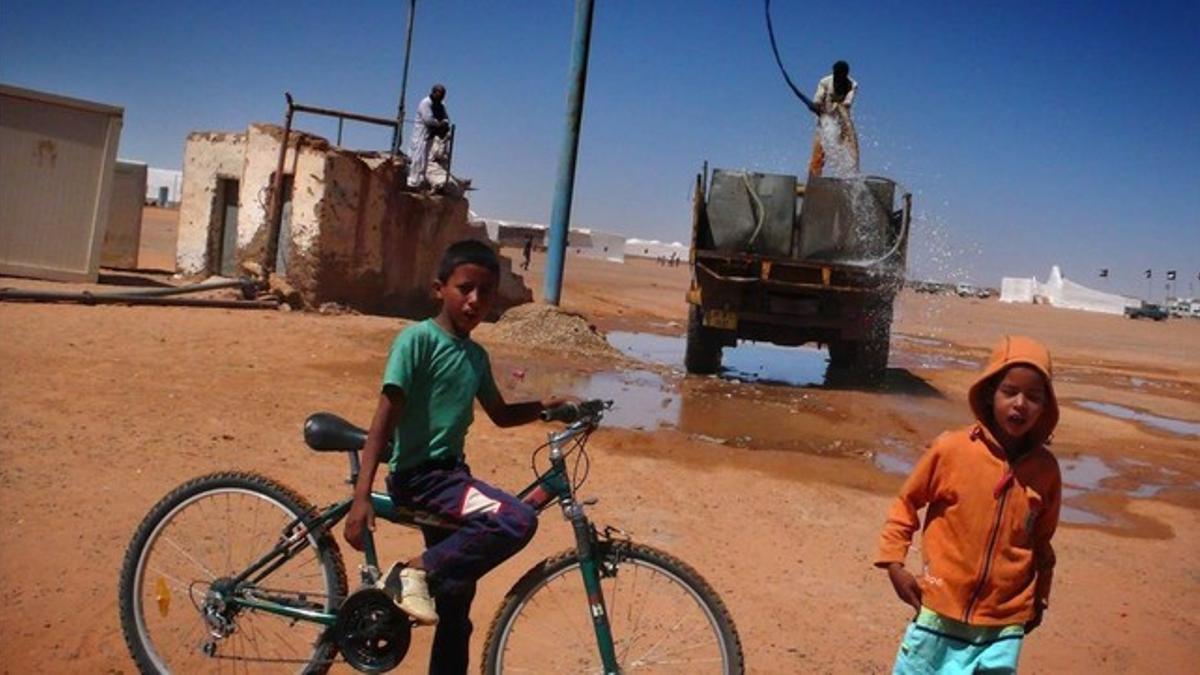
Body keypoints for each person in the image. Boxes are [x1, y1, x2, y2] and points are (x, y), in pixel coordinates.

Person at [343, 239, 564, 673]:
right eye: (465, 288)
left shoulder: (475, 356)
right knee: (516, 519)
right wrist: (361, 494)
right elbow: (383, 420)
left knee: (457, 604)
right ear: (438, 289)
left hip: (450, 478)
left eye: (485, 293)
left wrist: (546, 407)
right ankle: (411, 572)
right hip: (421, 480)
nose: (475, 301)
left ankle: (429, 583)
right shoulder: (417, 341)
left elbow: (499, 414)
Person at [876, 335, 1062, 674]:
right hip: (938, 610)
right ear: (991, 395)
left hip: (1004, 623)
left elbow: (1042, 542)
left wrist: (1040, 598)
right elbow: (907, 502)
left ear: (1045, 407)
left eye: (1034, 397)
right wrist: (893, 563)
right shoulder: (952, 450)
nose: (1020, 404)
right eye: (1010, 392)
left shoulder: (1046, 471)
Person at [808, 60, 860, 177]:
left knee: (851, 152)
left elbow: (847, 103)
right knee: (818, 155)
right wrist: (815, 105)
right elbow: (818, 98)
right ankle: (814, 179)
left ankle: (852, 178)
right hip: (825, 121)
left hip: (843, 121)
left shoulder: (852, 85)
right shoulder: (825, 82)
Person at [407, 84, 451, 189]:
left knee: (425, 160)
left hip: (431, 135)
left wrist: (443, 124)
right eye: (440, 94)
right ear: (434, 92)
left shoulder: (441, 105)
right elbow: (428, 120)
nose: (442, 96)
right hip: (421, 134)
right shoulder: (425, 103)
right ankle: (412, 182)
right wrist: (439, 124)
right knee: (418, 158)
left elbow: (446, 119)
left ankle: (420, 182)